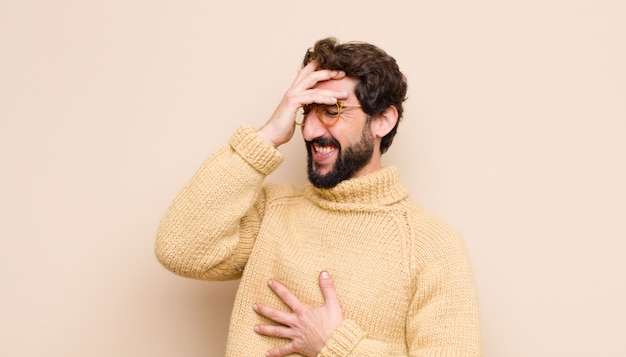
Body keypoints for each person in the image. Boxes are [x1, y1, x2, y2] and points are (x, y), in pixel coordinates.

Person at [155, 37, 482, 356]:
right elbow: (179, 249)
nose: (309, 130)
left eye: (331, 109)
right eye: (305, 110)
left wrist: (336, 345)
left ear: (383, 119)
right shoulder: (272, 211)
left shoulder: (432, 246)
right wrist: (267, 136)